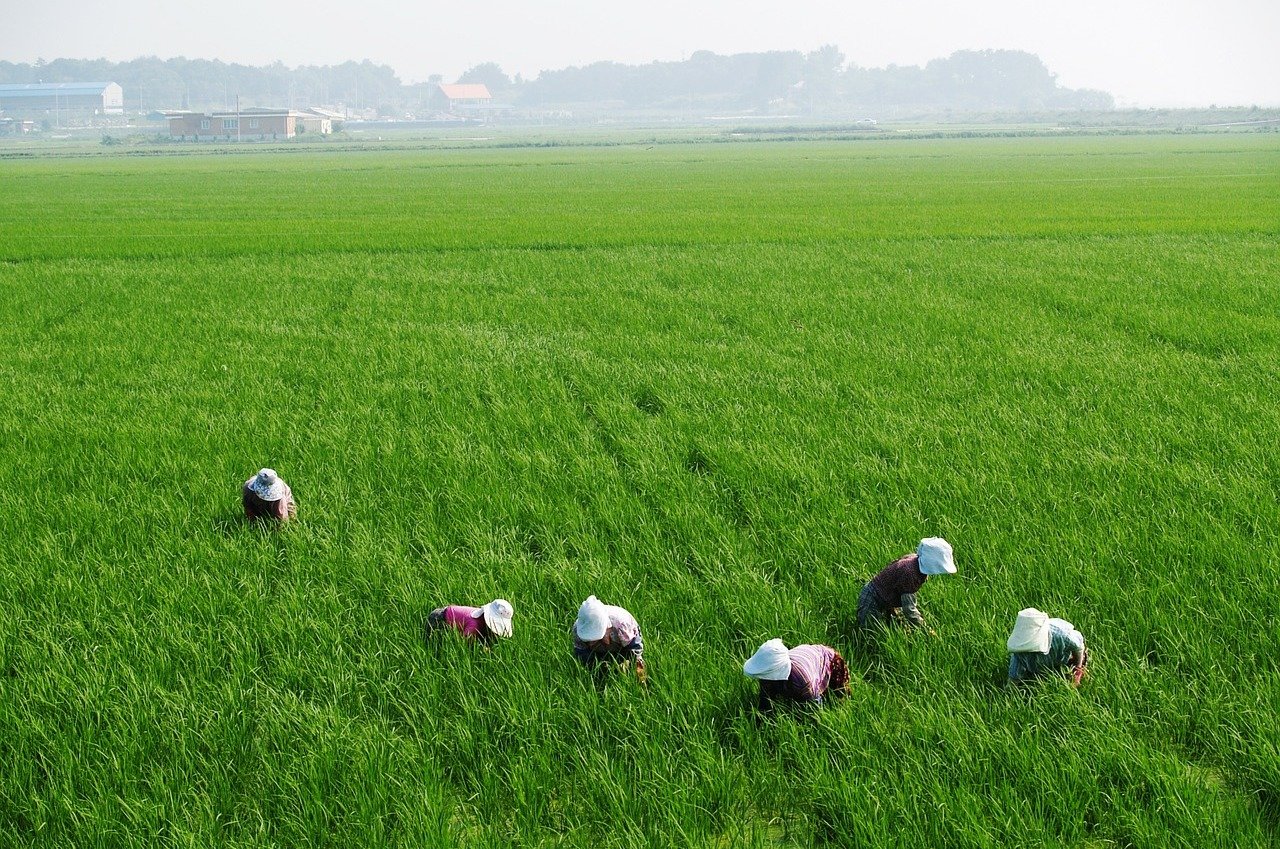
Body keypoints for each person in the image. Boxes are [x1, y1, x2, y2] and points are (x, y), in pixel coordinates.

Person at [856, 537, 956, 632]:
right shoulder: (910, 573)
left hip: (889, 600)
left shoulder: (916, 561)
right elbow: (909, 610)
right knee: (870, 633)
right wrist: (927, 630)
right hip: (872, 598)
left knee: (896, 628)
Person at [742, 638, 851, 711]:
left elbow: (815, 707)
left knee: (838, 693)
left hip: (828, 658)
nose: (763, 680)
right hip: (805, 656)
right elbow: (765, 702)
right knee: (771, 690)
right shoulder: (767, 674)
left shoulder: (801, 681)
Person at [572, 595, 646, 683]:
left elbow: (634, 650)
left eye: (595, 639)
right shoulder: (578, 630)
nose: (591, 643)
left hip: (624, 640)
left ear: (607, 627)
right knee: (593, 667)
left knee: (635, 662)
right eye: (588, 641)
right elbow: (582, 655)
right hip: (602, 648)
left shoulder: (622, 624)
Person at [1006, 607, 1088, 686]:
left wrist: (1078, 668)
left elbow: (1079, 647)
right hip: (1038, 668)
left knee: (1078, 660)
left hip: (1062, 656)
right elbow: (1013, 680)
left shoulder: (1062, 636)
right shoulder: (1020, 653)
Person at [426, 599, 515, 645]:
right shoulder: (474, 626)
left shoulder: (480, 614)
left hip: (446, 610)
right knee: (433, 642)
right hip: (438, 619)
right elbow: (465, 643)